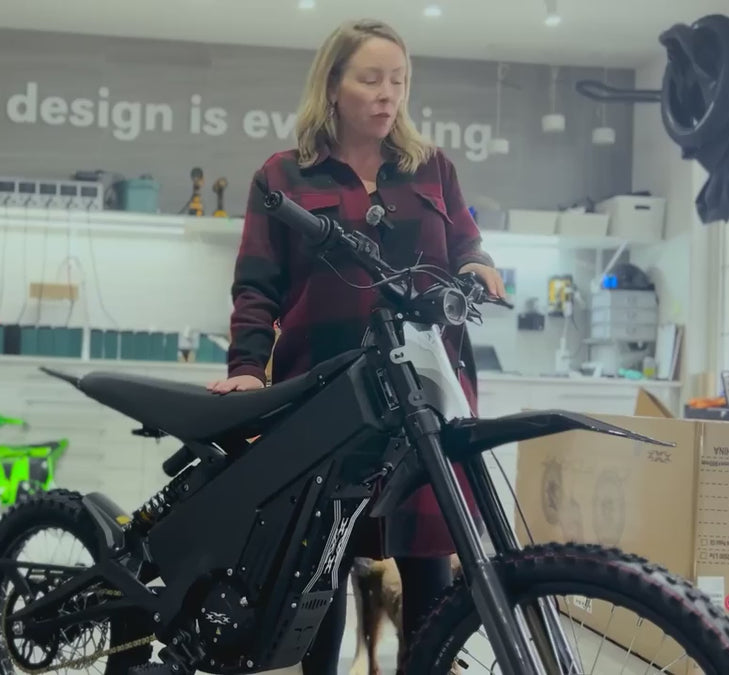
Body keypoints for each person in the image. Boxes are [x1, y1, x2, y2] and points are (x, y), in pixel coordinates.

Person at [206, 19, 505, 674]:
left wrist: (478, 264)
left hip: (424, 394)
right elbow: (256, 286)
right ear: (333, 85)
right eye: (371, 79)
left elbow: (467, 242)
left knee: (428, 562)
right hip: (328, 396)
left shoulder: (433, 168)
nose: (387, 94)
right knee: (323, 564)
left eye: (398, 80)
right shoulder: (283, 175)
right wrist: (248, 370)